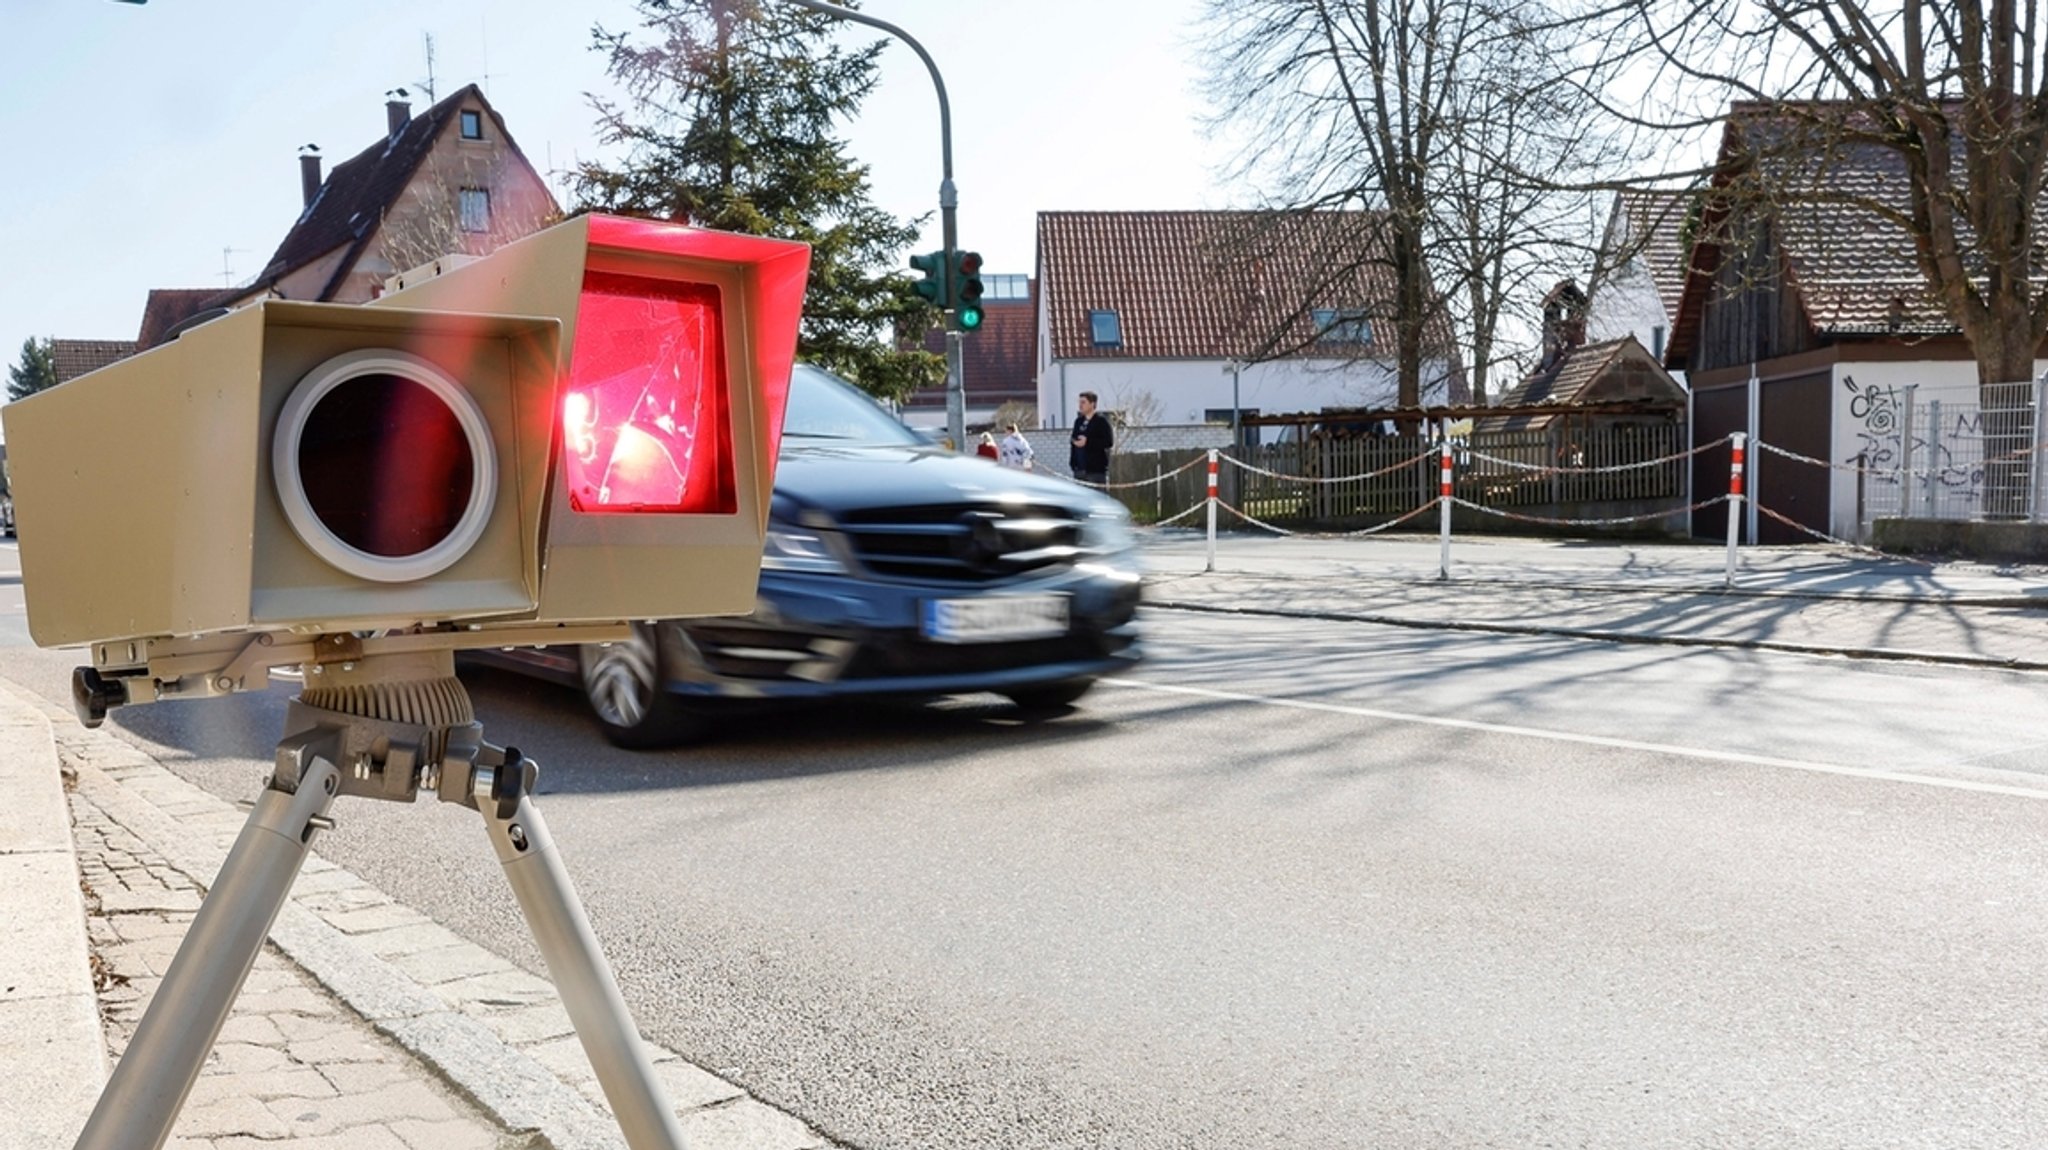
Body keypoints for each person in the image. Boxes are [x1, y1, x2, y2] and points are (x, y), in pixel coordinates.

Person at [1069, 391, 1113, 485]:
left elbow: (1108, 442)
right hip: (1079, 470)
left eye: (1083, 402)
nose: (1080, 405)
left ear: (1092, 404)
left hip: (1095, 471)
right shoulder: (1078, 421)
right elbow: (1073, 439)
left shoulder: (1101, 422)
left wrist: (1088, 442)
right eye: (1079, 402)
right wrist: (1073, 463)